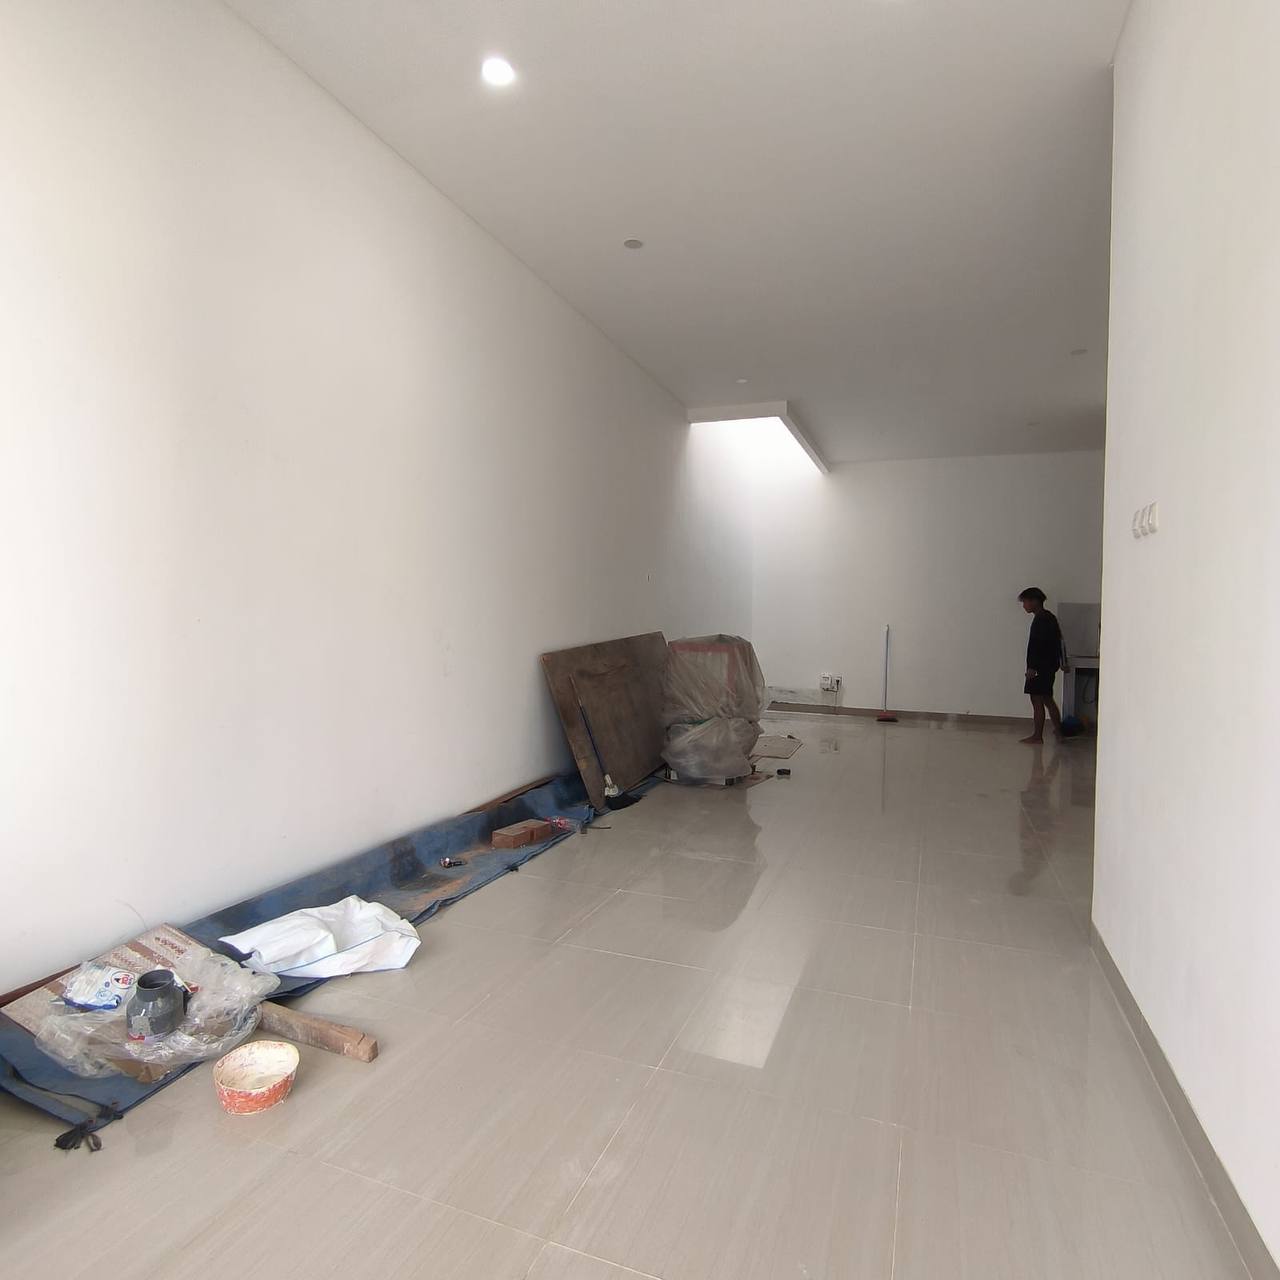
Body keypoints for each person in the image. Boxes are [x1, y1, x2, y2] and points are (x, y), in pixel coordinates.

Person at [1018, 587, 1067, 744]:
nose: (1024, 606)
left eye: (1025, 602)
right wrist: (1061, 662)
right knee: (1047, 699)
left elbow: (1037, 646)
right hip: (1048, 666)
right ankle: (1059, 731)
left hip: (1040, 668)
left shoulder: (1041, 620)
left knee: (1037, 700)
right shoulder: (1049, 618)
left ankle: (1037, 736)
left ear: (1035, 601)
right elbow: (1058, 642)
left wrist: (1032, 667)